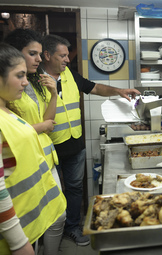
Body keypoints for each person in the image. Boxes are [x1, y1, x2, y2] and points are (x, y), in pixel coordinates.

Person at [40, 34, 140, 246]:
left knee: (76, 189)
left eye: (67, 55)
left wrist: (119, 91)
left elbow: (95, 87)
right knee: (52, 193)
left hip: (74, 144)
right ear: (47, 55)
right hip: (49, 147)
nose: (68, 59)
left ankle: (72, 228)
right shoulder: (34, 80)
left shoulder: (70, 75)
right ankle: (50, 236)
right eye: (62, 55)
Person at [4, 29, 66, 255]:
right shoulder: (12, 89)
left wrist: (53, 95)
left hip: (45, 156)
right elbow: (17, 130)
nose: (40, 59)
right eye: (33, 53)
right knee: (36, 222)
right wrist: (40, 127)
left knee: (56, 215)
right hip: (26, 163)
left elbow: (48, 120)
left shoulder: (32, 83)